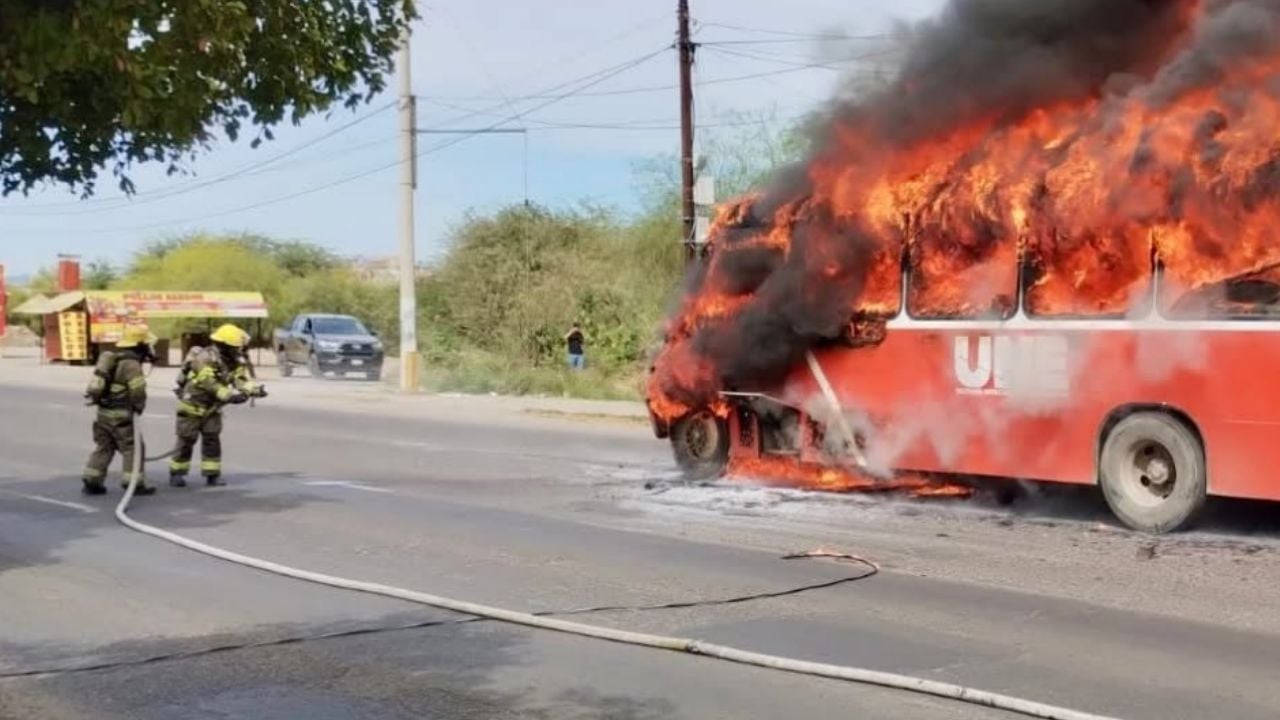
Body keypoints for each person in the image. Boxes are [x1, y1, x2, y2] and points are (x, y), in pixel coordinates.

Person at [169, 324, 266, 487]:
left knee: (212, 441)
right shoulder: (204, 358)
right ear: (224, 346)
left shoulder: (233, 360)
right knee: (186, 441)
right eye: (234, 347)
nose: (237, 350)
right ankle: (177, 474)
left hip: (212, 408)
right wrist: (230, 397)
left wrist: (253, 389)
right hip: (192, 405)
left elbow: (239, 379)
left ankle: (212, 475)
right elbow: (209, 383)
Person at [81, 324, 157, 496]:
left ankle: (92, 480)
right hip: (121, 416)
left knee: (104, 446)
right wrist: (139, 407)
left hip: (103, 414)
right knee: (134, 448)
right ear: (140, 344)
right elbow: (137, 391)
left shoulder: (114, 359)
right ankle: (133, 484)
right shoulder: (131, 365)